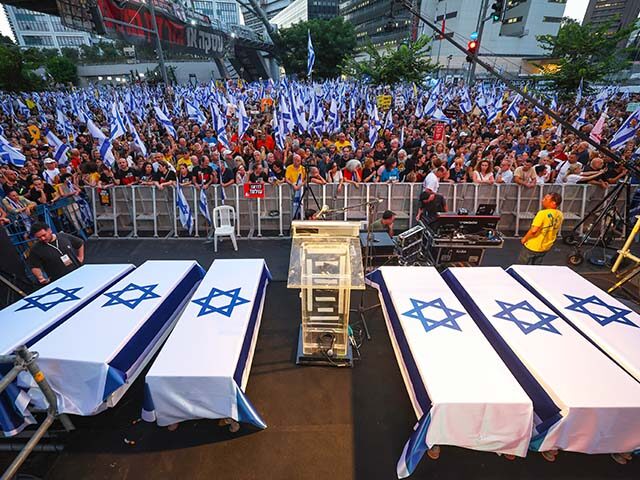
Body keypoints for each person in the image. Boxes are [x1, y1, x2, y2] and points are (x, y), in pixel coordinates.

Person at [518, 192, 563, 265]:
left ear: (553, 203)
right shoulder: (560, 214)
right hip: (546, 246)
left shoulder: (542, 214)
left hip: (533, 245)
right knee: (536, 266)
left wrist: (525, 238)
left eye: (546, 199)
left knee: (521, 265)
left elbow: (534, 230)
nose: (543, 200)